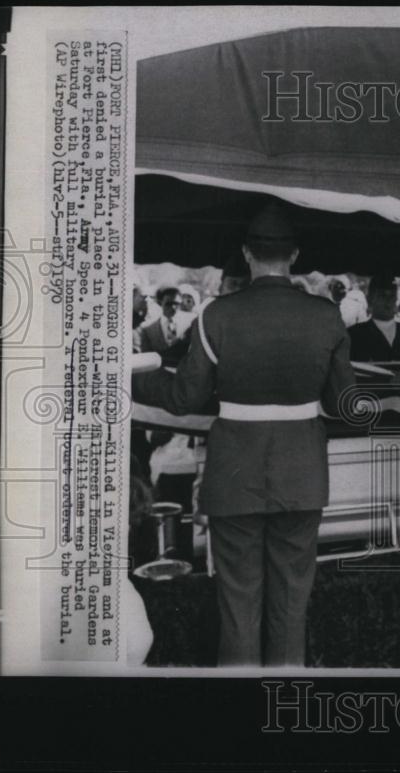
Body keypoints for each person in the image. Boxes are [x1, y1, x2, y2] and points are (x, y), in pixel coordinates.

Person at [133, 203, 355, 666]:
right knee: (292, 604)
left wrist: (129, 375)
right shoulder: (327, 316)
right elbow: (341, 405)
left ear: (246, 254)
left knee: (238, 605)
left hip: (235, 474)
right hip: (301, 475)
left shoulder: (217, 315)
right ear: (294, 255)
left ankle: (238, 715)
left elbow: (183, 398)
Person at [349, 274, 400, 363]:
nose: (388, 301)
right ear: (369, 299)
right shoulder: (354, 336)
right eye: (382, 295)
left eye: (392, 296)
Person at [140, 286, 187, 355]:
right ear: (160, 303)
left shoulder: (187, 326)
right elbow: (146, 357)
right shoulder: (148, 329)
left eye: (176, 303)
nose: (173, 307)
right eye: (169, 304)